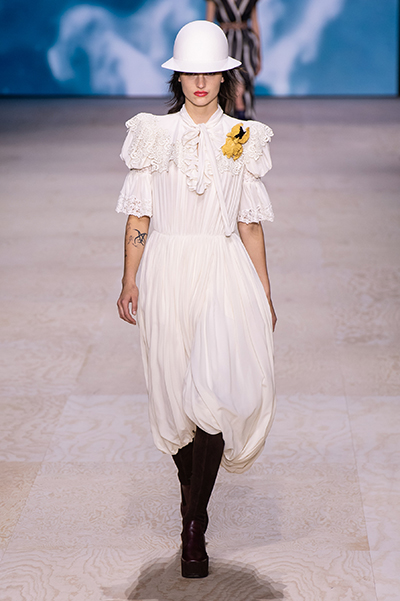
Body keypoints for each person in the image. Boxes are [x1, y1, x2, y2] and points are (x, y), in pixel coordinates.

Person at [116, 20, 276, 579]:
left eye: (210, 72)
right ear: (178, 78)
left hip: (222, 268)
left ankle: (193, 525)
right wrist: (129, 279)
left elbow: (249, 222)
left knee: (211, 394)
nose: (201, 82)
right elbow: (139, 216)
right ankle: (193, 499)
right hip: (166, 269)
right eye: (191, 72)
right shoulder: (152, 133)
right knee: (173, 398)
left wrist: (264, 289)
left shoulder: (242, 137)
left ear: (225, 77)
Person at [206, 0, 262, 119]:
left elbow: (255, 23)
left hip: (246, 45)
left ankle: (244, 121)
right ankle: (225, 120)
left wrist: (259, 54)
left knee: (244, 83)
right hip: (224, 44)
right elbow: (209, 24)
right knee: (225, 83)